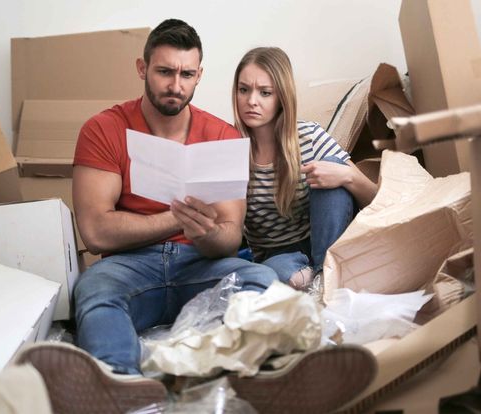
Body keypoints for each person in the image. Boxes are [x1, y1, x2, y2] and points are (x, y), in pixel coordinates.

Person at [70, 19, 277, 381]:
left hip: (199, 264)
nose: (176, 86)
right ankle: (122, 382)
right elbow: (96, 233)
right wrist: (177, 218)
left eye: (187, 74)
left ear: (199, 76)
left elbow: (229, 239)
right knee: (94, 290)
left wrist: (206, 233)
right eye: (165, 72)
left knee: (263, 280)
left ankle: (227, 374)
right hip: (128, 267)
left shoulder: (222, 136)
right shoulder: (103, 129)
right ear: (142, 68)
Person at [232, 47, 378, 289]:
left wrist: (348, 175)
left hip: (326, 238)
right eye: (243, 90)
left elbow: (376, 200)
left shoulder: (309, 136)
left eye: (265, 92)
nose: (251, 101)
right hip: (278, 257)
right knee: (270, 275)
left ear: (282, 97)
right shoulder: (231, 148)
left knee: (333, 167)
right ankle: (322, 280)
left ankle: (323, 276)